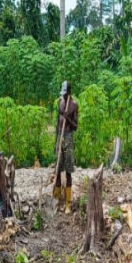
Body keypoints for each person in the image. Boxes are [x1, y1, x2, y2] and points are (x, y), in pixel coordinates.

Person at [53, 81, 79, 214]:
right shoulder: (60, 103)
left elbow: (75, 127)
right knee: (57, 169)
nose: (63, 96)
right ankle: (56, 201)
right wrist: (55, 142)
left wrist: (68, 119)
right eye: (62, 94)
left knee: (68, 171)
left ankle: (68, 203)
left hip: (68, 137)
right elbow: (58, 122)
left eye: (65, 94)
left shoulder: (74, 105)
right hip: (59, 136)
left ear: (69, 92)